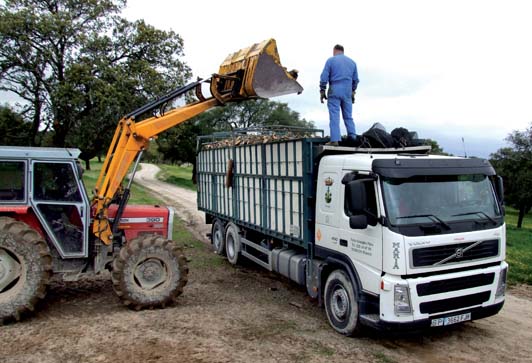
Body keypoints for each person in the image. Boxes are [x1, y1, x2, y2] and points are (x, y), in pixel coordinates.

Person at [320, 44, 359, 146]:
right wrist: (353, 91)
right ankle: (353, 138)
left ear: (335, 51)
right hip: (347, 92)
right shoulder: (352, 63)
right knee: (348, 116)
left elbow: (324, 76)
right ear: (343, 51)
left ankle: (335, 140)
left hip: (335, 90)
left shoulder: (331, 60)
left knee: (334, 115)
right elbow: (356, 80)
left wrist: (322, 90)